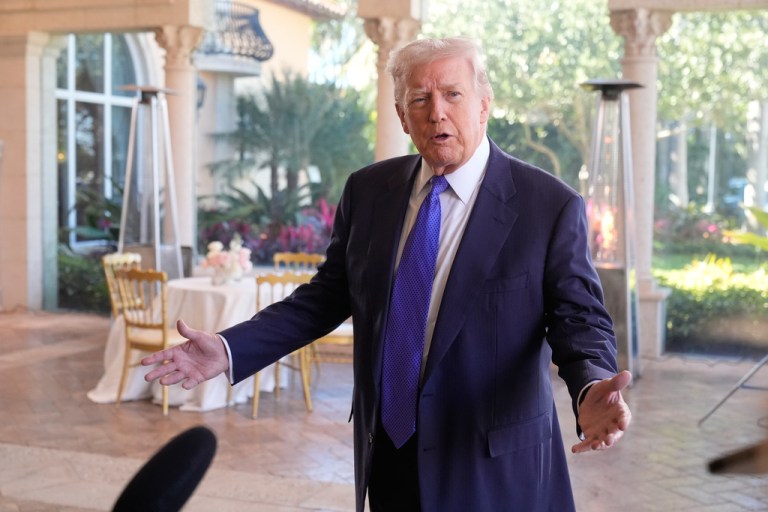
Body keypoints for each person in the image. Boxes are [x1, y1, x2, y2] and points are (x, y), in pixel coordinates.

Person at [143, 37, 632, 512]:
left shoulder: (548, 205)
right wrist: (230, 349)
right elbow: (325, 298)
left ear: (484, 104)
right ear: (402, 115)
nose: (436, 111)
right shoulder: (368, 191)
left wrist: (590, 387)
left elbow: (579, 320)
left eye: (453, 95)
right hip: (390, 452)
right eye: (419, 99)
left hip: (491, 464)